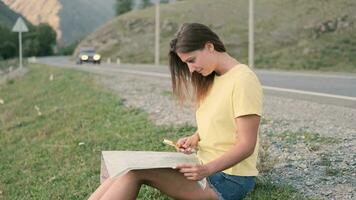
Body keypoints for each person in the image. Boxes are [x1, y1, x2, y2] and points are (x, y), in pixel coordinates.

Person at [88, 22, 263, 200]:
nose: (191, 69)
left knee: (133, 173)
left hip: (229, 179)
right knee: (123, 168)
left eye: (191, 60)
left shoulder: (243, 80)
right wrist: (195, 138)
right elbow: (220, 121)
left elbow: (246, 145)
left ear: (209, 47)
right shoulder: (213, 78)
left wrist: (206, 170)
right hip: (204, 166)